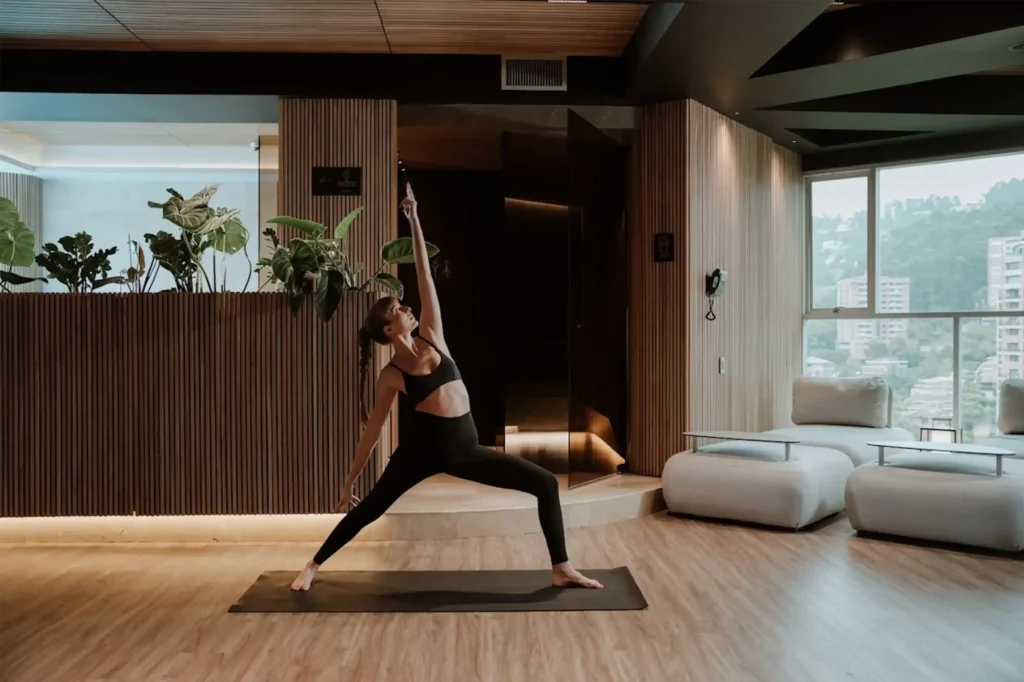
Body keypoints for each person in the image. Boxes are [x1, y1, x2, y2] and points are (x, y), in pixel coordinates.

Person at [291, 184, 602, 591]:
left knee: (544, 484)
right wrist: (351, 482)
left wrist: (415, 218)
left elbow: (423, 274)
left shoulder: (434, 335)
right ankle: (313, 565)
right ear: (389, 329)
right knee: (371, 508)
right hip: (419, 456)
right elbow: (373, 431)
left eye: (405, 305)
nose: (407, 308)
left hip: (467, 451)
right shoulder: (392, 375)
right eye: (398, 309)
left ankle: (561, 568)